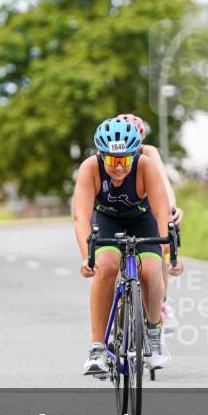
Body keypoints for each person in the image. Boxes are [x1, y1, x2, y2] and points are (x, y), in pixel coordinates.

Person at [72, 118, 184, 377]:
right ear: (101, 154)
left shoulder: (146, 166)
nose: (119, 167)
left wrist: (172, 253)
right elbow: (80, 217)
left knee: (151, 270)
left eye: (125, 159)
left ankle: (154, 331)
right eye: (112, 160)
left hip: (142, 220)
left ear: (135, 154)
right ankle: (98, 348)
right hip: (107, 220)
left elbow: (162, 214)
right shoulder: (90, 168)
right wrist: (87, 258)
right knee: (106, 266)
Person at [116, 114, 182, 328]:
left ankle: (161, 302)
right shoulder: (107, 154)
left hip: (146, 209)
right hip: (115, 211)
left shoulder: (148, 152)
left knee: (160, 251)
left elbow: (163, 181)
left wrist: (172, 208)